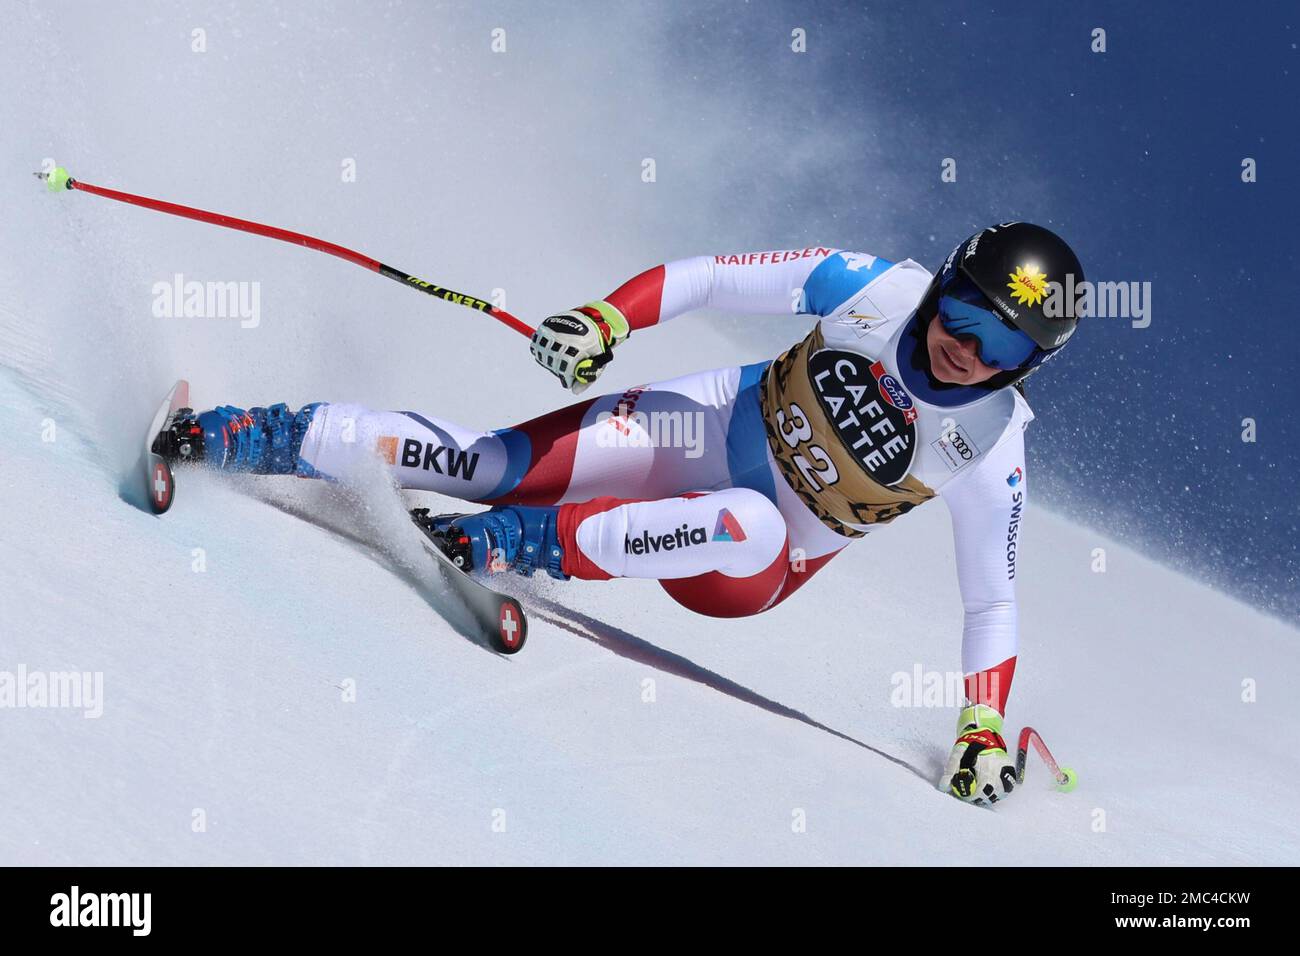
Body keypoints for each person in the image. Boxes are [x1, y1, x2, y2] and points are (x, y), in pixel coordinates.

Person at [154, 221, 1085, 805]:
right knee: (490, 463)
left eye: (1002, 348)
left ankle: (509, 543)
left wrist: (980, 728)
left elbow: (990, 599)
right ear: (942, 284)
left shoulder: (993, 446)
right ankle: (236, 435)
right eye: (964, 315)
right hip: (703, 425)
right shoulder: (875, 288)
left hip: (745, 564)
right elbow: (710, 277)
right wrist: (609, 319)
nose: (966, 351)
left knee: (749, 522)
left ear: (1027, 368)